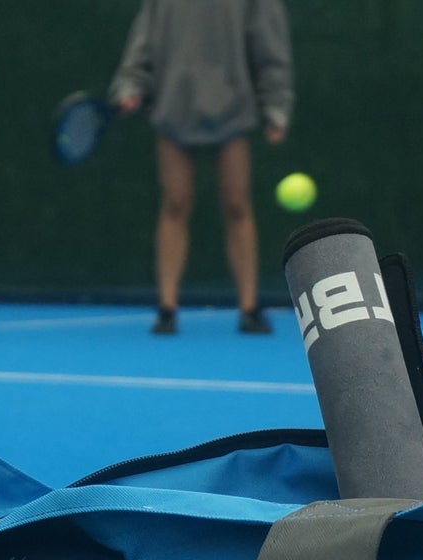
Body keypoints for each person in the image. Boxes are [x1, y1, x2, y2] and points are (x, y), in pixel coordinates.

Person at [108, 0, 295, 335]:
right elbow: (143, 43)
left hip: (233, 107)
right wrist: (131, 86)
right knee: (175, 202)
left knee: (237, 204)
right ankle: (167, 309)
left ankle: (249, 308)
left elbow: (269, 44)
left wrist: (276, 105)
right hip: (173, 106)